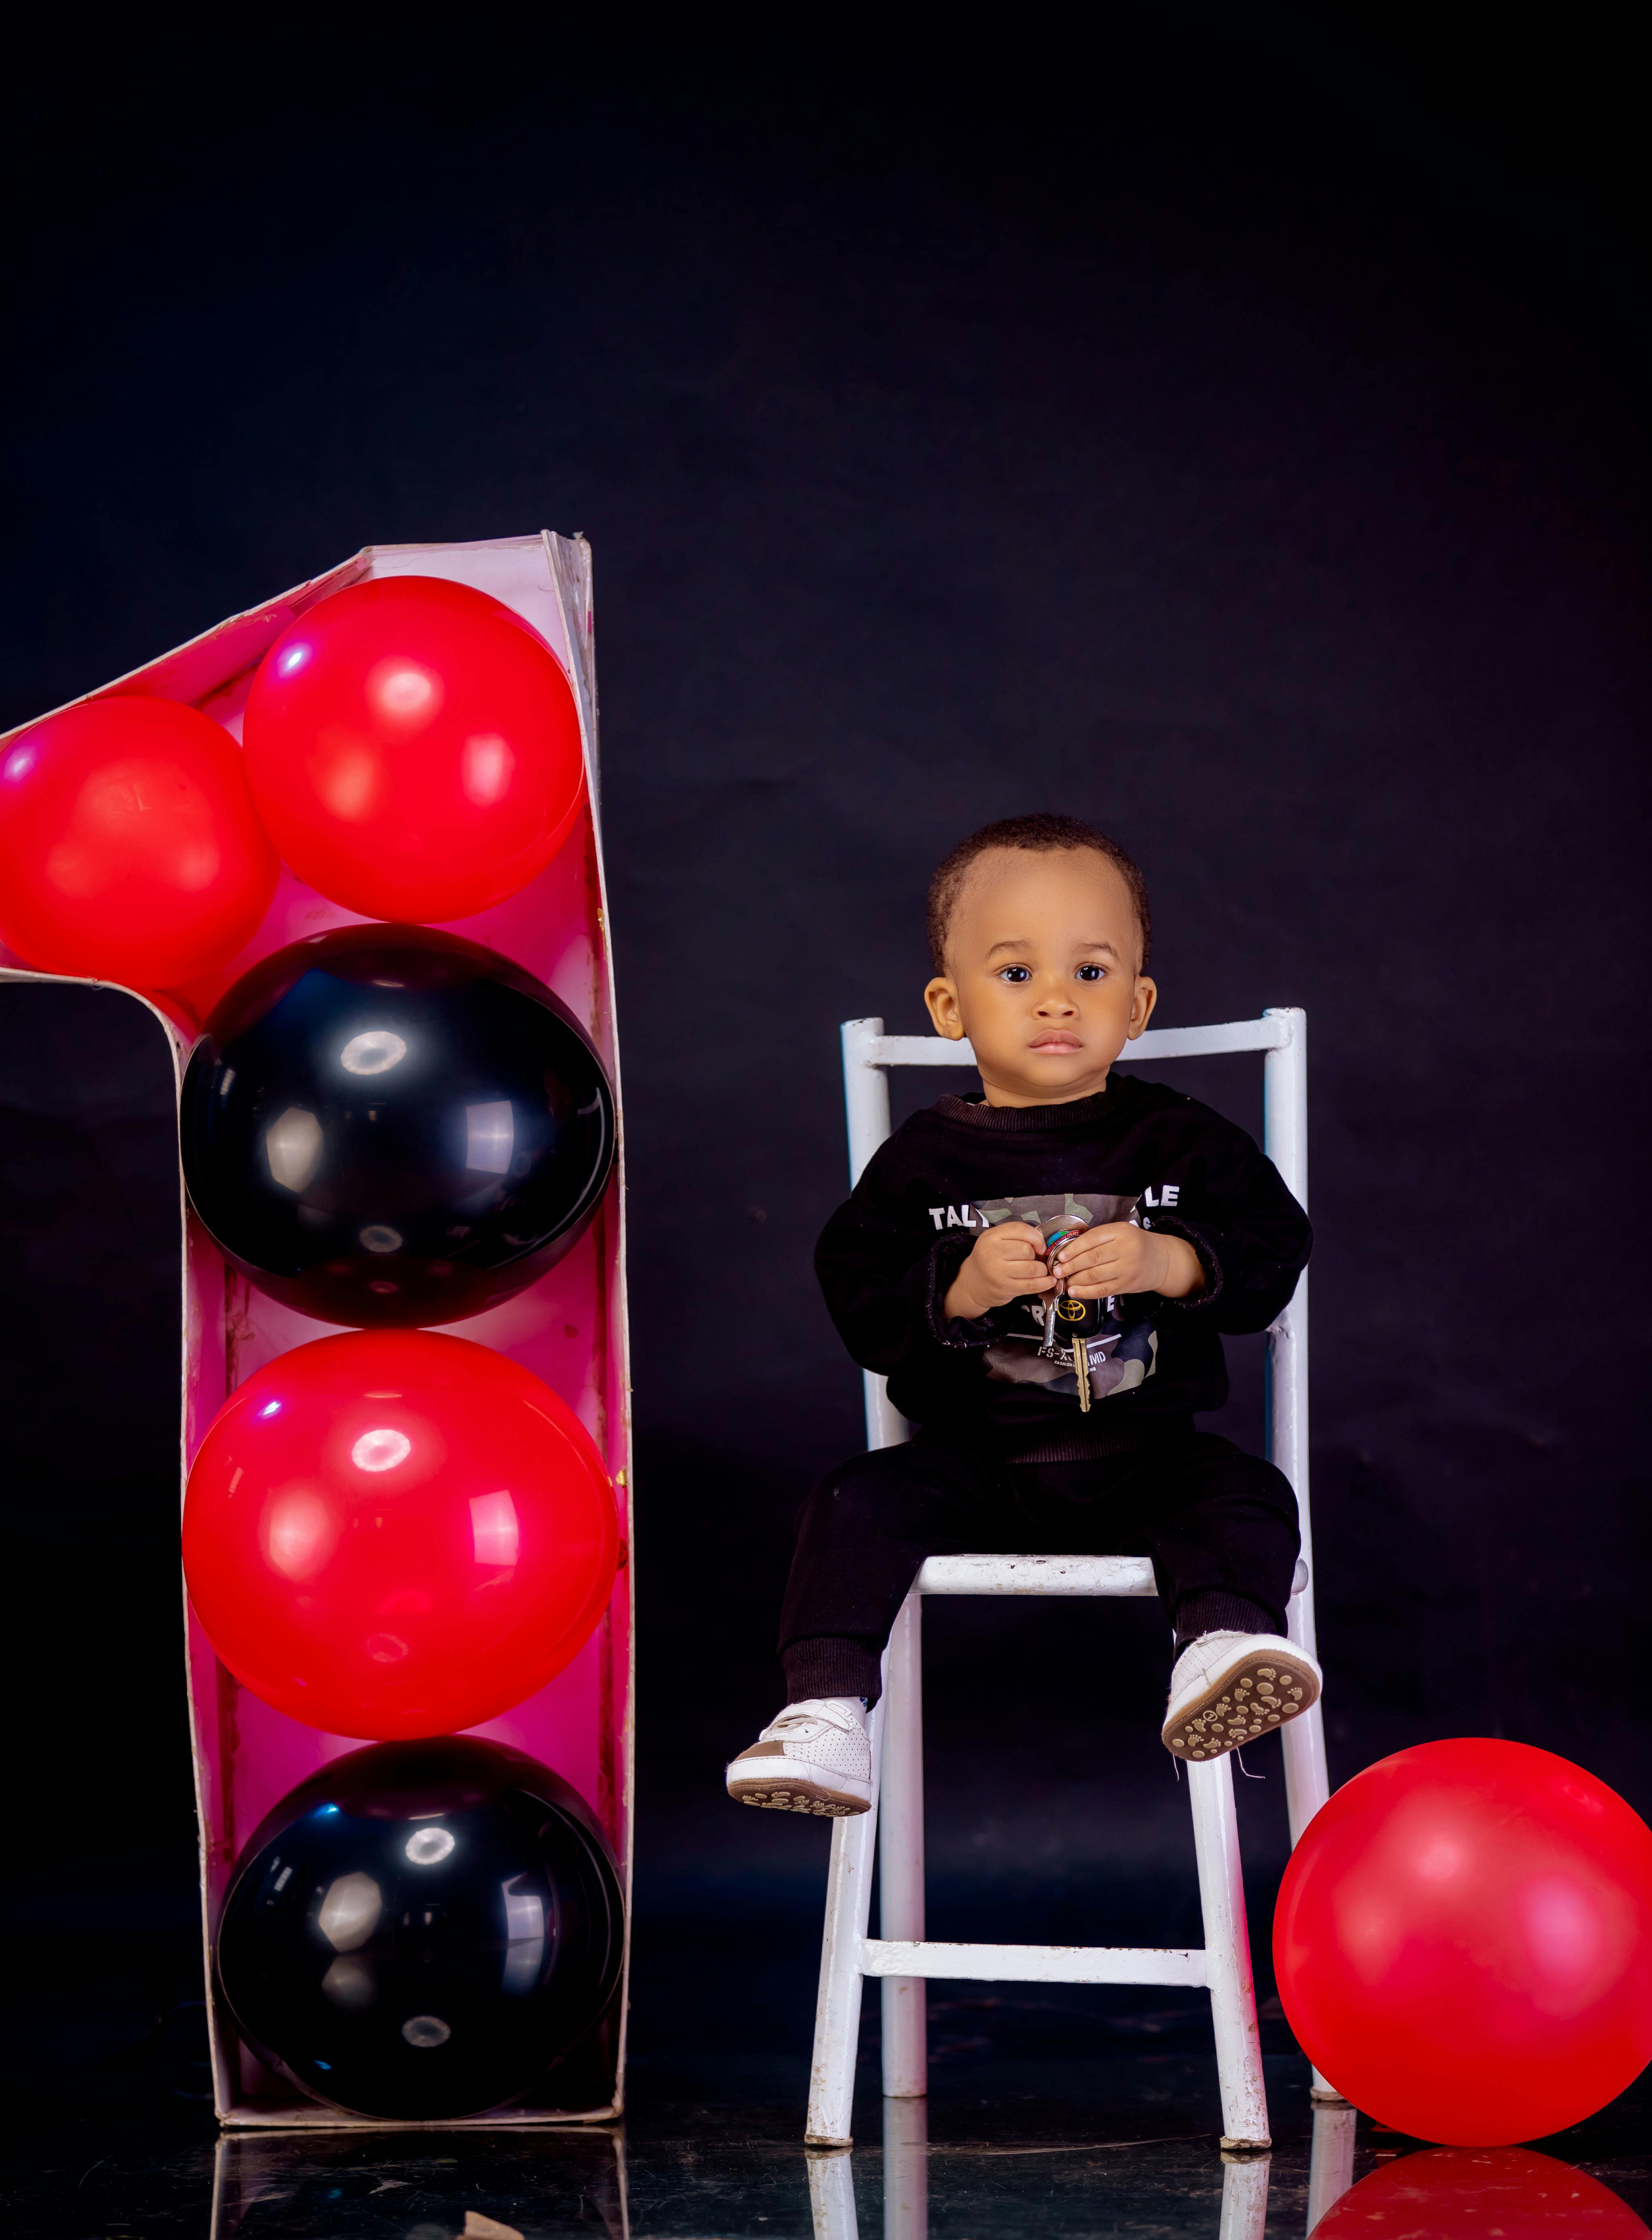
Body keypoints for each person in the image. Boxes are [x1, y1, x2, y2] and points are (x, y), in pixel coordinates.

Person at [726, 812, 1320, 1817]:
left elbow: (1274, 1249)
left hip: (1147, 1455)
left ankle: (1215, 1645)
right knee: (852, 1500)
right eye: (1015, 975)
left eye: (1091, 974)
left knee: (1248, 1493)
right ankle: (825, 1715)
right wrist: (959, 1287)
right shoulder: (924, 1158)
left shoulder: (1180, 1140)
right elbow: (858, 1288)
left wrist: (1170, 1260)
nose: (1055, 998)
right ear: (950, 1006)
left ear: (1138, 1003)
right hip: (974, 1464)